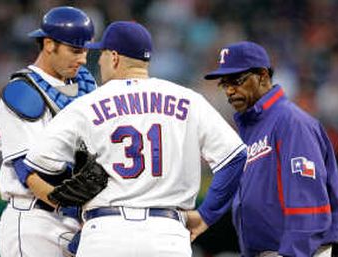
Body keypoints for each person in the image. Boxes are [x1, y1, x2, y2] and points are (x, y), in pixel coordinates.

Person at [20, 21, 247, 257]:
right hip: (167, 235)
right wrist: (206, 215)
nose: (98, 61)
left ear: (115, 57)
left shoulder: (86, 106)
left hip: (105, 233)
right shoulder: (189, 100)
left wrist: (67, 207)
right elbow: (235, 158)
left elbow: (32, 168)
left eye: (103, 54)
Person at [191, 40, 338, 257]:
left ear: (263, 76)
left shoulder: (291, 122)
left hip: (299, 252)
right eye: (224, 83)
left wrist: (292, 252)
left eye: (237, 81)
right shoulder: (251, 127)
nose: (229, 90)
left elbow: (307, 203)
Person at [0, 6, 97, 257]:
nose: (82, 59)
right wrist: (75, 209)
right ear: (49, 44)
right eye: (75, 50)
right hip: (35, 220)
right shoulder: (22, 92)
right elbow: (28, 172)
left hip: (77, 219)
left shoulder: (85, 85)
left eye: (84, 50)